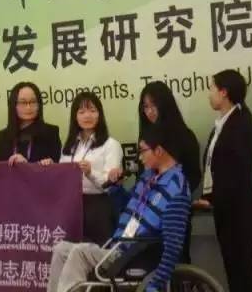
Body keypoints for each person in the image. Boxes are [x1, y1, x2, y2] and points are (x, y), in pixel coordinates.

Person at [48, 124, 191, 292]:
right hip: (116, 248)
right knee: (61, 250)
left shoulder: (176, 188)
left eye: (143, 151)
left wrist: (155, 283)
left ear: (158, 151)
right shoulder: (148, 178)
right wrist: (116, 187)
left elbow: (173, 247)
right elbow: (127, 206)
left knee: (80, 252)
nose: (140, 158)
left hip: (136, 256)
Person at [194, 69, 252, 292]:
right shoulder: (222, 123)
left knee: (241, 271)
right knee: (233, 270)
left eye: (211, 88)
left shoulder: (242, 123)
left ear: (224, 92)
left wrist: (214, 199)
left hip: (238, 209)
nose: (209, 94)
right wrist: (210, 198)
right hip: (225, 208)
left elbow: (236, 173)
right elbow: (215, 168)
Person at [128, 80, 201, 262]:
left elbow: (194, 175)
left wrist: (171, 196)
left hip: (173, 214)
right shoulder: (145, 139)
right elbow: (142, 179)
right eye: (145, 107)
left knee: (177, 264)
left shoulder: (185, 136)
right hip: (146, 218)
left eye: (154, 105)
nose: (150, 111)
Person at [60, 92, 123, 245]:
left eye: (92, 111)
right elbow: (60, 178)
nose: (87, 116)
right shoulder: (69, 145)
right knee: (69, 251)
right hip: (73, 207)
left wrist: (90, 173)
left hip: (99, 207)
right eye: (81, 112)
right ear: (75, 117)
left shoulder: (111, 145)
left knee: (98, 254)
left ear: (100, 114)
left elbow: (109, 185)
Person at [0, 82, 61, 166]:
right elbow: (1, 169)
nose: (28, 107)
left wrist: (26, 165)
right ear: (14, 105)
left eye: (33, 102)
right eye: (23, 102)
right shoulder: (3, 136)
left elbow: (55, 169)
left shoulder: (51, 133)